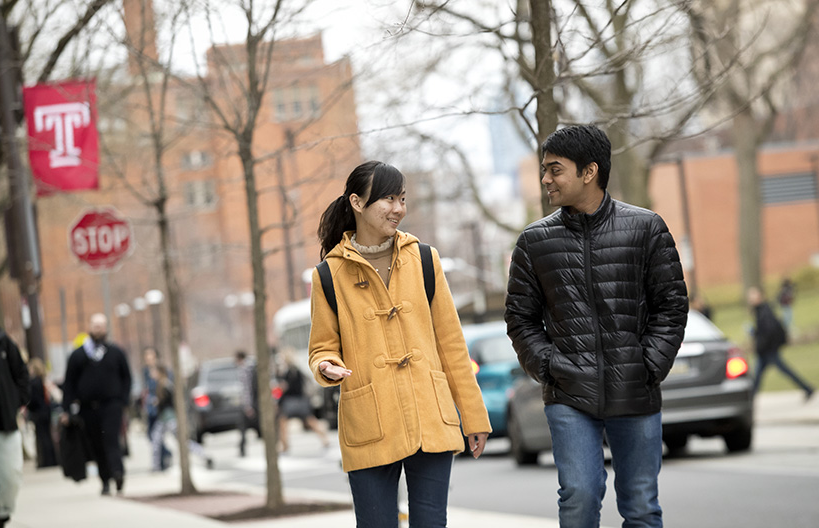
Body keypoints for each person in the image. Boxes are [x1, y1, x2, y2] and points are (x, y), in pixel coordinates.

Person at [505, 125, 688, 528]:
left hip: (635, 391)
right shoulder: (534, 241)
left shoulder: (646, 228)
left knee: (641, 506)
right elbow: (520, 317)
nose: (545, 179)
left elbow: (671, 306)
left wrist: (648, 366)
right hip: (569, 393)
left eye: (555, 169)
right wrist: (550, 366)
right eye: (543, 169)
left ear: (589, 172)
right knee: (580, 497)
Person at [309, 160, 491, 527]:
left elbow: (451, 344)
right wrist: (325, 366)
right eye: (388, 199)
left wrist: (473, 416)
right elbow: (321, 347)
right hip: (369, 421)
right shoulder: (328, 274)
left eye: (402, 198)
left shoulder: (424, 258)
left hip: (429, 415)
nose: (398, 208)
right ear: (357, 203)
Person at [61, 313, 132, 496]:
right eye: (95, 325)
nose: (98, 329)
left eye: (102, 325)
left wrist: (123, 400)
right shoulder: (78, 355)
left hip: (112, 406)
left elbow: (127, 378)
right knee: (96, 444)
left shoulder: (115, 352)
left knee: (111, 440)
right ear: (89, 327)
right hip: (88, 408)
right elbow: (69, 383)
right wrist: (67, 409)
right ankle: (105, 480)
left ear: (106, 328)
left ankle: (117, 473)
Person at [747, 287, 814, 400]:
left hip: (768, 351)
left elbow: (769, 331)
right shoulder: (759, 310)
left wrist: (761, 343)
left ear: (760, 296)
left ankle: (808, 388)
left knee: (783, 371)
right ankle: (750, 398)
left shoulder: (764, 311)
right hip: (765, 351)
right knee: (757, 377)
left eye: (753, 296)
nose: (751, 299)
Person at [0, 326, 30, 528]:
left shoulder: (4, 342)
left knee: (10, 476)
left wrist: (16, 402)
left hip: (4, 423)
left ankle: (3, 511)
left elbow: (22, 374)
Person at [148, 365, 212, 471]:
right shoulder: (162, 384)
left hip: (168, 419)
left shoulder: (165, 385)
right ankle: (203, 455)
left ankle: (204, 455)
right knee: (160, 440)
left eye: (153, 371)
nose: (152, 374)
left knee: (180, 441)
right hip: (166, 419)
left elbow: (172, 403)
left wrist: (158, 402)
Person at [276, 348, 330, 454]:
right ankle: (325, 439)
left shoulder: (288, 372)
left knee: (282, 423)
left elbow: (285, 388)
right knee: (310, 421)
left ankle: (285, 445)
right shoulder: (297, 370)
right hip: (301, 401)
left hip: (291, 402)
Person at [140, 347, 171, 467]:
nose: (148, 359)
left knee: (156, 436)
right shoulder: (145, 371)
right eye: (146, 357)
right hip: (150, 408)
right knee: (151, 435)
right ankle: (164, 456)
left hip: (161, 408)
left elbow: (166, 387)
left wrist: (159, 400)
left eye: (151, 356)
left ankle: (162, 460)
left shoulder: (161, 370)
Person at [26, 358, 58, 468]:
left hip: (39, 412)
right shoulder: (42, 379)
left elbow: (32, 399)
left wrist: (29, 407)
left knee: (42, 437)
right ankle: (52, 460)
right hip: (46, 410)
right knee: (48, 436)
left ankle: (46, 461)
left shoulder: (34, 382)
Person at [234, 350, 258, 457]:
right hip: (258, 402)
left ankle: (242, 449)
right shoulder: (253, 366)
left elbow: (246, 389)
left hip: (251, 404)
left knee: (243, 427)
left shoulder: (244, 369)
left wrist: (248, 406)